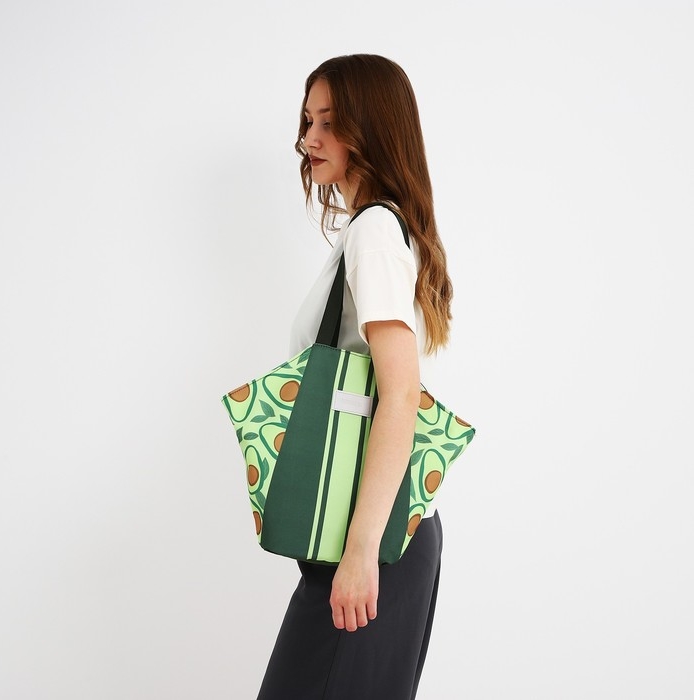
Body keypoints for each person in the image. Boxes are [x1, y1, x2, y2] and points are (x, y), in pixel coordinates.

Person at [256, 54, 454, 700]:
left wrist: (362, 551)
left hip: (372, 544)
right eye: (307, 121)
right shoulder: (376, 232)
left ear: (369, 128)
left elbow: (400, 392)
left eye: (328, 122)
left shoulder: (374, 232)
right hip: (368, 538)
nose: (308, 139)